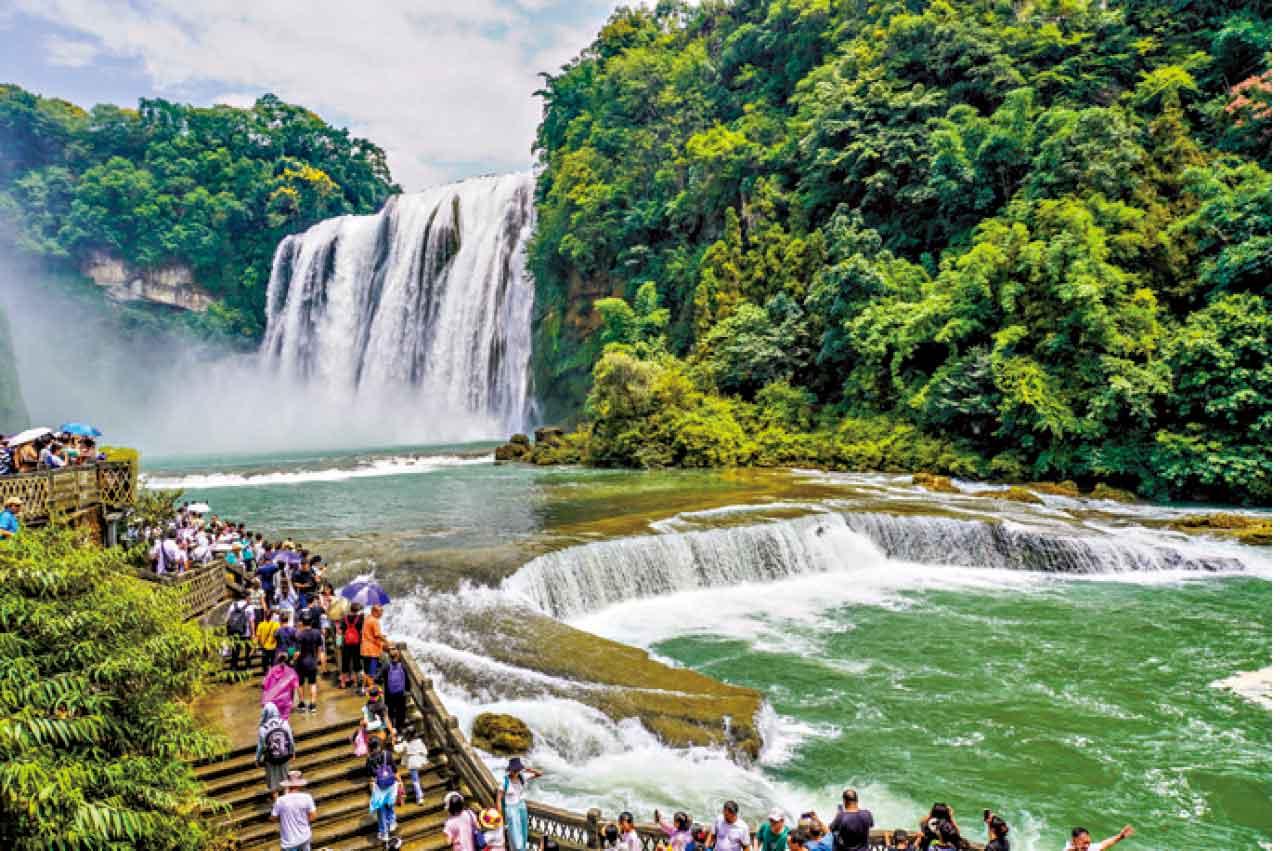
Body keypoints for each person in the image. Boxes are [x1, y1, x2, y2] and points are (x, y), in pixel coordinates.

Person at [498, 757, 542, 851]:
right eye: (514, 770)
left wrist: (529, 769)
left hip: (521, 806)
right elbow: (498, 799)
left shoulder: (522, 777)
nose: (516, 772)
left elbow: (539, 773)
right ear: (510, 770)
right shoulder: (504, 781)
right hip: (511, 809)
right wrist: (500, 816)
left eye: (518, 770)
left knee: (523, 832)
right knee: (515, 836)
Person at [255, 703, 295, 801]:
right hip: (284, 756)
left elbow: (261, 746)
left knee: (273, 783)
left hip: (270, 759)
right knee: (285, 779)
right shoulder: (284, 723)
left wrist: (257, 759)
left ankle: (277, 804)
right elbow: (290, 739)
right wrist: (293, 752)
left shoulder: (263, 728)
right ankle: (287, 801)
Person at [271, 770, 316, 851]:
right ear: (300, 785)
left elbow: (273, 818)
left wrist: (284, 819)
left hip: (289, 840)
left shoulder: (280, 800)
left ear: (288, 785)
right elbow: (313, 816)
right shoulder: (307, 797)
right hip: (304, 836)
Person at [367, 736, 400, 842]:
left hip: (379, 788)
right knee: (390, 804)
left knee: (381, 811)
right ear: (379, 745)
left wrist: (372, 792)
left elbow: (371, 777)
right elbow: (395, 770)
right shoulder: (387, 754)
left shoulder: (369, 760)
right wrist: (400, 783)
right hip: (390, 784)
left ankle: (384, 833)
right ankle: (392, 822)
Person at [294, 615, 325, 713]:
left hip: (301, 663)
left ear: (302, 623)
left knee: (300, 684)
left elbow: (297, 652)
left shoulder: (299, 635)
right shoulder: (317, 633)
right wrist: (317, 659)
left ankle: (302, 703)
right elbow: (320, 648)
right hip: (312, 662)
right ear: (311, 622)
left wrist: (292, 660)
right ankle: (312, 705)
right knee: (312, 684)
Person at [394, 724, 430, 805]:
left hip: (412, 763)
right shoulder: (419, 741)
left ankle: (420, 797)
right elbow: (425, 751)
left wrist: (397, 742)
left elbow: (397, 750)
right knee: (416, 778)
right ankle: (419, 796)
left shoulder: (406, 743)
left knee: (415, 781)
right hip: (419, 760)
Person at [262, 652, 301, 721]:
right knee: (284, 720)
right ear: (287, 660)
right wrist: (301, 699)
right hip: (285, 701)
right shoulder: (291, 671)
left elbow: (264, 685)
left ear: (277, 660)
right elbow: (296, 686)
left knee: (273, 720)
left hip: (273, 700)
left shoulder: (271, 670)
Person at [380, 645, 410, 731]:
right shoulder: (402, 667)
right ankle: (399, 728)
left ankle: (391, 728)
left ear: (389, 656)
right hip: (401, 693)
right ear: (398, 655)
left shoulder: (386, 667)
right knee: (401, 711)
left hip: (389, 694)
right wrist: (407, 690)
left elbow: (377, 678)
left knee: (390, 711)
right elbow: (407, 681)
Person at [361, 604, 388, 693]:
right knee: (372, 672)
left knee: (366, 670)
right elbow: (377, 635)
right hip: (372, 650)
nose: (382, 614)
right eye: (381, 612)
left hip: (365, 648)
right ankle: (372, 690)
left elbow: (370, 633)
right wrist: (387, 641)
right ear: (375, 612)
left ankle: (364, 688)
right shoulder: (375, 621)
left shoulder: (367, 618)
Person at [225, 594, 255, 671]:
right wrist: (253, 634)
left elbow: (227, 620)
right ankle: (247, 668)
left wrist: (228, 632)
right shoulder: (249, 607)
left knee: (235, 652)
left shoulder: (233, 605)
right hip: (246, 633)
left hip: (235, 633)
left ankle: (233, 668)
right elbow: (251, 622)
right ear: (247, 597)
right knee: (247, 651)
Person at [339, 602, 365, 689]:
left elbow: (340, 632)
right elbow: (362, 630)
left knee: (345, 663)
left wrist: (339, 643)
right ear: (357, 610)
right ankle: (355, 682)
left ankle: (343, 683)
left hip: (346, 643)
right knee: (356, 663)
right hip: (356, 644)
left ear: (350, 609)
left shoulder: (344, 618)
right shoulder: (360, 618)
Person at [1065, 825, 1134, 851]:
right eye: (1084, 843)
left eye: (1088, 842)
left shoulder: (1088, 848)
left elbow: (1104, 844)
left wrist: (1121, 836)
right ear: (1074, 841)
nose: (1087, 846)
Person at [256, 609, 282, 675]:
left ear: (264, 615)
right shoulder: (276, 624)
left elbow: (258, 636)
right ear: (272, 616)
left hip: (264, 647)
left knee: (265, 661)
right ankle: (273, 673)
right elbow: (279, 636)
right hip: (273, 646)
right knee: (273, 661)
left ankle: (266, 673)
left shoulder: (260, 625)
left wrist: (258, 644)